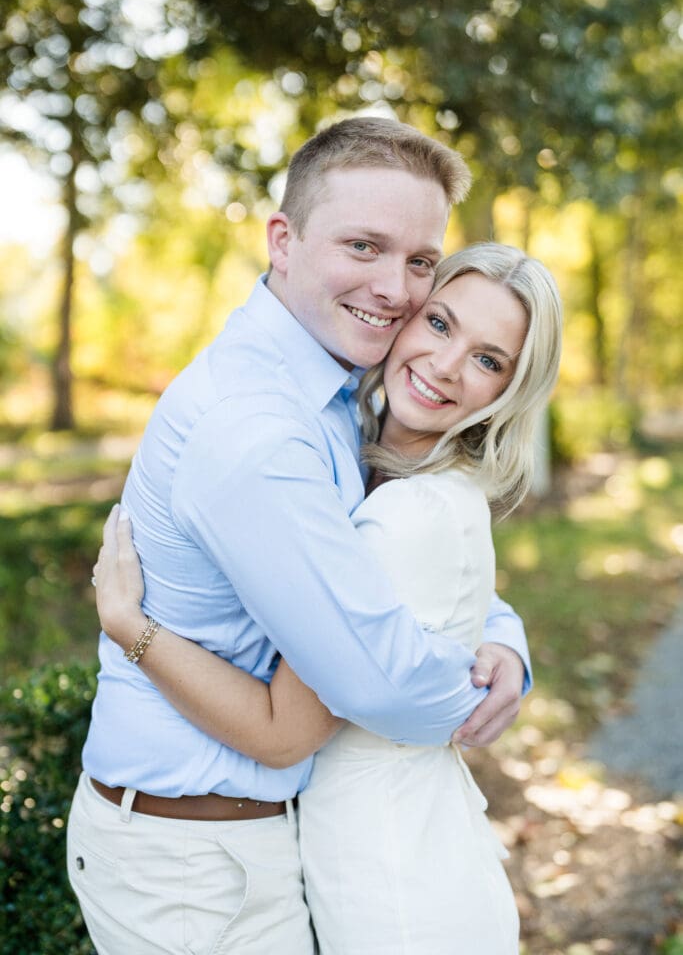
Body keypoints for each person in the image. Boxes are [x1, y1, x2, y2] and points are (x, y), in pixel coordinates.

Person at [67, 118, 533, 954]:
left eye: (418, 261)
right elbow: (371, 686)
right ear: (282, 240)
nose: (394, 288)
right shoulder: (260, 431)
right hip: (191, 866)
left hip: (240, 843)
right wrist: (467, 691)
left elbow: (371, 561)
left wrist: (497, 635)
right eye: (364, 246)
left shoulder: (332, 388)